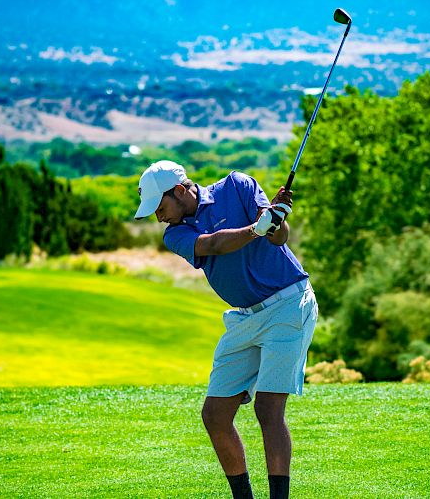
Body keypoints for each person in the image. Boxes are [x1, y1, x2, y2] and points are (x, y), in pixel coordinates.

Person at [134, 160, 318, 499]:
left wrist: (275, 219)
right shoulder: (175, 234)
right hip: (245, 318)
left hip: (288, 304)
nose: (159, 217)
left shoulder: (238, 186)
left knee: (268, 407)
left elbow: (279, 238)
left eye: (160, 208)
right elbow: (214, 244)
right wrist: (254, 229)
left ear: (178, 191)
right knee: (215, 414)